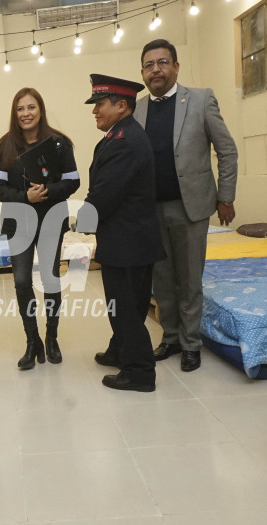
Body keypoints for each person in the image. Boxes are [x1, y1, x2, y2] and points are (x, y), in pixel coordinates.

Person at [134, 39, 238, 372]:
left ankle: (192, 343)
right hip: (151, 210)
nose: (156, 70)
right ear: (142, 73)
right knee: (162, 279)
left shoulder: (200, 99)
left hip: (191, 206)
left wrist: (226, 196)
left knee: (190, 278)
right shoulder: (136, 109)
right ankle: (171, 337)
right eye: (149, 65)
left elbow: (227, 150)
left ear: (176, 67)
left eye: (162, 62)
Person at [83, 74, 166, 392]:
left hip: (127, 242)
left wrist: (80, 226)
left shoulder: (124, 142)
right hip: (130, 239)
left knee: (125, 309)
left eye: (99, 104)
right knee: (128, 304)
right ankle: (121, 351)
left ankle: (139, 371)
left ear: (121, 105)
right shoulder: (122, 135)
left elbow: (105, 194)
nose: (95, 111)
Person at [0, 87, 80, 370]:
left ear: (40, 109)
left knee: (51, 280)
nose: (26, 113)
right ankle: (33, 341)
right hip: (19, 222)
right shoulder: (5, 145)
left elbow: (73, 181)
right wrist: (24, 198)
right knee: (20, 282)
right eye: (20, 109)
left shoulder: (59, 143)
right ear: (14, 114)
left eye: (31, 107)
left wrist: (48, 192)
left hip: (52, 218)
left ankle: (51, 337)